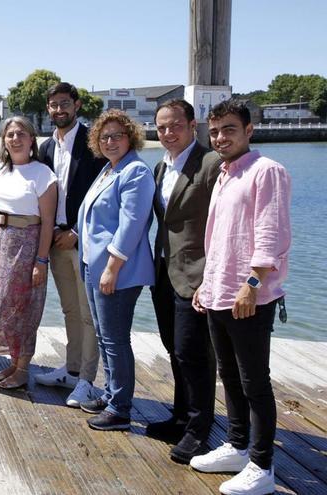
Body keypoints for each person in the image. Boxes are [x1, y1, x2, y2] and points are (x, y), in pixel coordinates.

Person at [190, 100, 291, 495]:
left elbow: (271, 233)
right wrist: (205, 282)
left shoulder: (266, 171)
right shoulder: (224, 174)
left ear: (249, 130)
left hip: (250, 295)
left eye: (229, 129)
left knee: (254, 382)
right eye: (214, 131)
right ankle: (236, 444)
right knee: (228, 375)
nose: (220, 138)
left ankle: (262, 466)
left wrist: (252, 284)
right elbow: (220, 239)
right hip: (219, 292)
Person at [148, 98, 221, 464]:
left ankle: (198, 428)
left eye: (175, 125)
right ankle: (180, 415)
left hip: (196, 274)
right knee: (173, 348)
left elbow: (221, 225)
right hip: (163, 271)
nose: (167, 132)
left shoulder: (210, 164)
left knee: (194, 354)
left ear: (194, 125)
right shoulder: (162, 166)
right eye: (161, 127)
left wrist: (212, 277)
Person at [77, 109, 155, 431]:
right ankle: (110, 394)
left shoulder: (135, 171)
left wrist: (111, 267)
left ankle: (120, 408)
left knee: (115, 340)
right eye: (104, 136)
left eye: (117, 136)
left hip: (116, 271)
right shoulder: (111, 169)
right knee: (103, 336)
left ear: (131, 137)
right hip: (95, 267)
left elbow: (132, 225)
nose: (110, 141)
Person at [0, 116, 57, 389]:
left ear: (32, 139)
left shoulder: (43, 174)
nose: (15, 139)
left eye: (21, 134)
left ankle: (23, 368)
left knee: (24, 307)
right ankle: (14, 362)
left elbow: (47, 223)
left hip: (26, 245)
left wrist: (41, 260)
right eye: (10, 134)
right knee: (0, 302)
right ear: (4, 141)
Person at [35, 82, 107, 407]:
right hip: (54, 240)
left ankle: (88, 381)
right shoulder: (46, 148)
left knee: (89, 313)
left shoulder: (93, 143)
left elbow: (105, 192)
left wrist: (77, 231)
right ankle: (73, 368)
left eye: (65, 103)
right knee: (69, 309)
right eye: (53, 105)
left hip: (83, 240)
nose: (59, 110)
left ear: (76, 105)